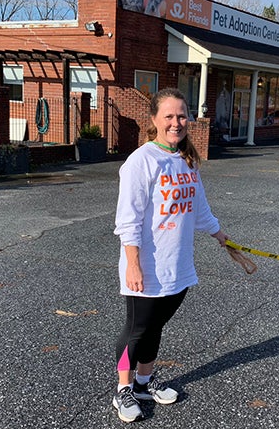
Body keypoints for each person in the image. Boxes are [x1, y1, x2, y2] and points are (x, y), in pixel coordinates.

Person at [112, 88, 228, 423]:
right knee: (135, 330)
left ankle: (144, 383)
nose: (176, 122)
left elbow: (200, 210)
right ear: (154, 120)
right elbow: (127, 220)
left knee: (155, 327)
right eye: (169, 116)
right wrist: (133, 264)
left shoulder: (187, 160)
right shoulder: (141, 162)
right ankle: (123, 389)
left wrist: (222, 238)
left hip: (177, 265)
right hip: (146, 267)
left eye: (181, 116)